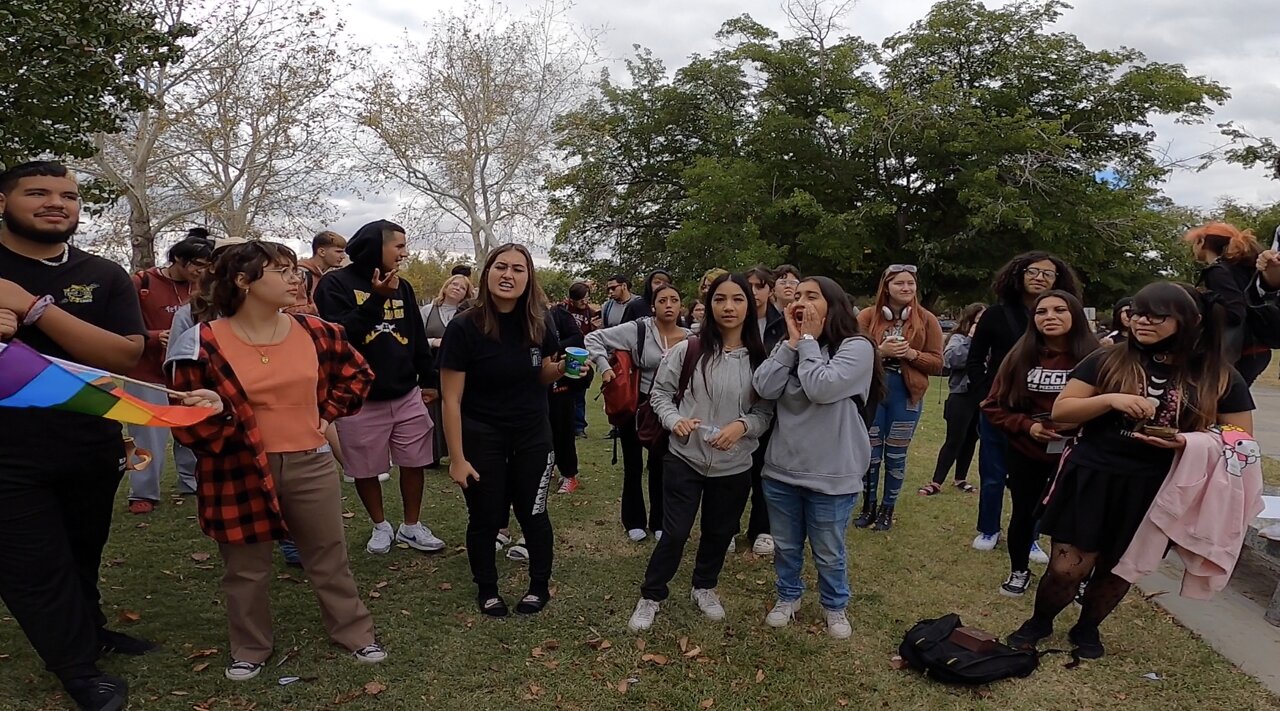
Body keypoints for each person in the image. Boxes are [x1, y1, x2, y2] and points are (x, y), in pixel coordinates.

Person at [168, 241, 387, 681]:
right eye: (280, 270)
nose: (296, 278)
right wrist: (218, 409)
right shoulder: (201, 342)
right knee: (245, 567)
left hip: (310, 462)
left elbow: (359, 375)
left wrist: (321, 414)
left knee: (328, 554)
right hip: (236, 467)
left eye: (294, 269)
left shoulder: (317, 331)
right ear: (243, 281)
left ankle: (355, 632)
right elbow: (185, 423)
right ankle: (250, 647)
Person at [1007, 282, 1254, 659]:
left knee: (1119, 567)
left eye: (1157, 315)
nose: (1142, 321)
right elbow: (1062, 411)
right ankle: (1040, 622)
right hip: (1093, 474)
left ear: (1191, 321)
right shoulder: (1107, 359)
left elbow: (1241, 437)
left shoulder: (1218, 375)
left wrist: (1189, 441)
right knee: (1066, 568)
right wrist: (1110, 399)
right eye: (1138, 312)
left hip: (1160, 485)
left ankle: (1087, 627)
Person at [0, 161, 149, 711]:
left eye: (68, 195)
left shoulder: (103, 274)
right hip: (7, 451)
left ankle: (88, 628)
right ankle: (77, 669)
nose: (56, 203)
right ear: (2, 202)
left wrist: (35, 309)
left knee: (82, 548)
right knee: (30, 561)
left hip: (88, 442)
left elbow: (124, 354)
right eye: (37, 192)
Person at [627, 274, 773, 632]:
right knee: (674, 532)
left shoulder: (761, 360)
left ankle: (704, 587)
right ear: (709, 305)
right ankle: (652, 595)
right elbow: (659, 395)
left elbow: (765, 412)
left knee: (719, 533)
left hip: (734, 463)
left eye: (737, 299)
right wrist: (673, 419)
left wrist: (742, 426)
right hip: (684, 459)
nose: (728, 307)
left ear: (748, 307)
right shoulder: (687, 349)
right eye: (720, 299)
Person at [439, 243, 572, 617]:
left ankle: (538, 586)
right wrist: (457, 459)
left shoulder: (540, 322)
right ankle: (488, 590)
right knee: (485, 516)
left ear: (529, 277)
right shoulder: (466, 326)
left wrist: (562, 369)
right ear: (487, 274)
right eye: (501, 267)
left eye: (518, 268)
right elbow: (450, 399)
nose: (508, 275)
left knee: (534, 513)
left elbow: (542, 373)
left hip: (532, 433)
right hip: (482, 434)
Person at [752, 276, 879, 639]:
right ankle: (788, 596)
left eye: (813, 296)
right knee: (787, 544)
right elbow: (764, 386)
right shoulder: (791, 345)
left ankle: (835, 606)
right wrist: (792, 342)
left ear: (833, 305)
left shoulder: (856, 347)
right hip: (782, 468)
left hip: (832, 472)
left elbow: (822, 387)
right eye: (798, 296)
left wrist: (806, 341)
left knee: (828, 550)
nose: (801, 302)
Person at [314, 220, 445, 556]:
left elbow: (415, 334)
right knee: (364, 467)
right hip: (358, 398)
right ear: (376, 246)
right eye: (398, 246)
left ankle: (411, 527)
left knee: (414, 461)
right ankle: (380, 526)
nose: (405, 253)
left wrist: (428, 379)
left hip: (405, 393)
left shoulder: (403, 286)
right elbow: (339, 335)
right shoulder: (335, 284)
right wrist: (377, 299)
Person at [981, 291, 1099, 597]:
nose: (1050, 316)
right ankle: (1019, 570)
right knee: (1024, 514)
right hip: (1028, 453)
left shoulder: (1095, 357)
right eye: (1042, 311)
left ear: (1075, 316)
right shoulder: (1020, 355)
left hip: (1080, 456)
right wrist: (1028, 426)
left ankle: (1078, 578)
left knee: (1078, 521)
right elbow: (992, 405)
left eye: (1060, 310)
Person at [966, 251, 1081, 551]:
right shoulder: (995, 314)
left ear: (1059, 281)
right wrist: (983, 395)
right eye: (1033, 271)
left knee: (1039, 478)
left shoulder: (1065, 320)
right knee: (992, 474)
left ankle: (1031, 538)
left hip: (1043, 411)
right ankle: (988, 528)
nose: (1039, 277)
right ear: (1019, 274)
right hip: (998, 408)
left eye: (1048, 273)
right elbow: (975, 359)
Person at [585, 283, 691, 541]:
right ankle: (633, 520)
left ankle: (659, 521)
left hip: (671, 408)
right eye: (662, 300)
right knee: (633, 463)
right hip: (637, 403)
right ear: (653, 305)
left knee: (661, 464)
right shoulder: (639, 329)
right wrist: (603, 365)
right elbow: (593, 337)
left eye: (674, 300)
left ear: (680, 306)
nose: (668, 305)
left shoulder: (691, 337)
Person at [124, 234, 213, 513]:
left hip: (188, 371)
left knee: (191, 425)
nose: (201, 271)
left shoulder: (205, 288)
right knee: (148, 434)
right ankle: (143, 492)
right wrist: (151, 336)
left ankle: (192, 481)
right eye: (197, 264)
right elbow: (119, 321)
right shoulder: (142, 283)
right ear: (178, 259)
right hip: (145, 371)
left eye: (207, 265)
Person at [854, 264, 944, 531]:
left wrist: (910, 354)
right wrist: (879, 352)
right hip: (872, 393)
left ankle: (887, 508)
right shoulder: (868, 317)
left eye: (910, 284)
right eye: (899, 283)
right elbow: (851, 355)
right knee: (869, 453)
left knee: (896, 454)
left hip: (906, 393)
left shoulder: (927, 319)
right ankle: (868, 505)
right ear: (886, 287)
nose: (906, 288)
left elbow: (938, 363)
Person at [1185, 222, 1270, 384]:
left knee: (1217, 403)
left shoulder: (1218, 272)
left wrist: (1203, 298)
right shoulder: (1241, 268)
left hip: (1239, 351)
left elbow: (1235, 312)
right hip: (1255, 349)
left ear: (1202, 242)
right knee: (1232, 403)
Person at [741, 266, 788, 554]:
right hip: (736, 402)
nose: (754, 292)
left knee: (766, 469)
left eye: (760, 286)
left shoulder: (782, 324)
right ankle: (728, 527)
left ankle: (762, 528)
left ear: (770, 289)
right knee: (734, 471)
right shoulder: (732, 319)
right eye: (749, 286)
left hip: (772, 406)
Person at [921, 303, 985, 495]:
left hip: (982, 396)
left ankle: (961, 479)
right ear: (971, 320)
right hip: (961, 395)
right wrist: (972, 340)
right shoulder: (959, 338)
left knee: (972, 439)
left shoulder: (992, 342)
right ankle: (936, 481)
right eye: (979, 320)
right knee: (955, 439)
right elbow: (951, 360)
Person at [421, 274, 471, 466]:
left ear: (466, 294)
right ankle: (432, 456)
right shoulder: (428, 310)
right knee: (432, 411)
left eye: (462, 287)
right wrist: (434, 342)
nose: (456, 288)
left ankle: (458, 454)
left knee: (457, 407)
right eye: (454, 284)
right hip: (432, 367)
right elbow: (414, 338)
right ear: (446, 286)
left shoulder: (466, 313)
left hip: (459, 368)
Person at [548, 287, 588, 493]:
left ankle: (569, 475)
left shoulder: (558, 315)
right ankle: (547, 468)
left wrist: (554, 348)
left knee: (563, 429)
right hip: (532, 387)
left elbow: (577, 339)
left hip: (560, 382)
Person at [561, 282, 598, 437]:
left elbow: (593, 336)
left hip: (582, 356)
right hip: (563, 356)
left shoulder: (591, 313)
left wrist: (595, 329)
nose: (584, 302)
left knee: (579, 394)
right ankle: (565, 424)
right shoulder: (563, 311)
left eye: (586, 298)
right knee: (563, 394)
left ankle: (579, 427)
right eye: (581, 299)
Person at [285, 230, 347, 316]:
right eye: (338, 252)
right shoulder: (300, 275)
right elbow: (289, 310)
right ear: (322, 252)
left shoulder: (325, 276)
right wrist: (325, 307)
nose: (343, 256)